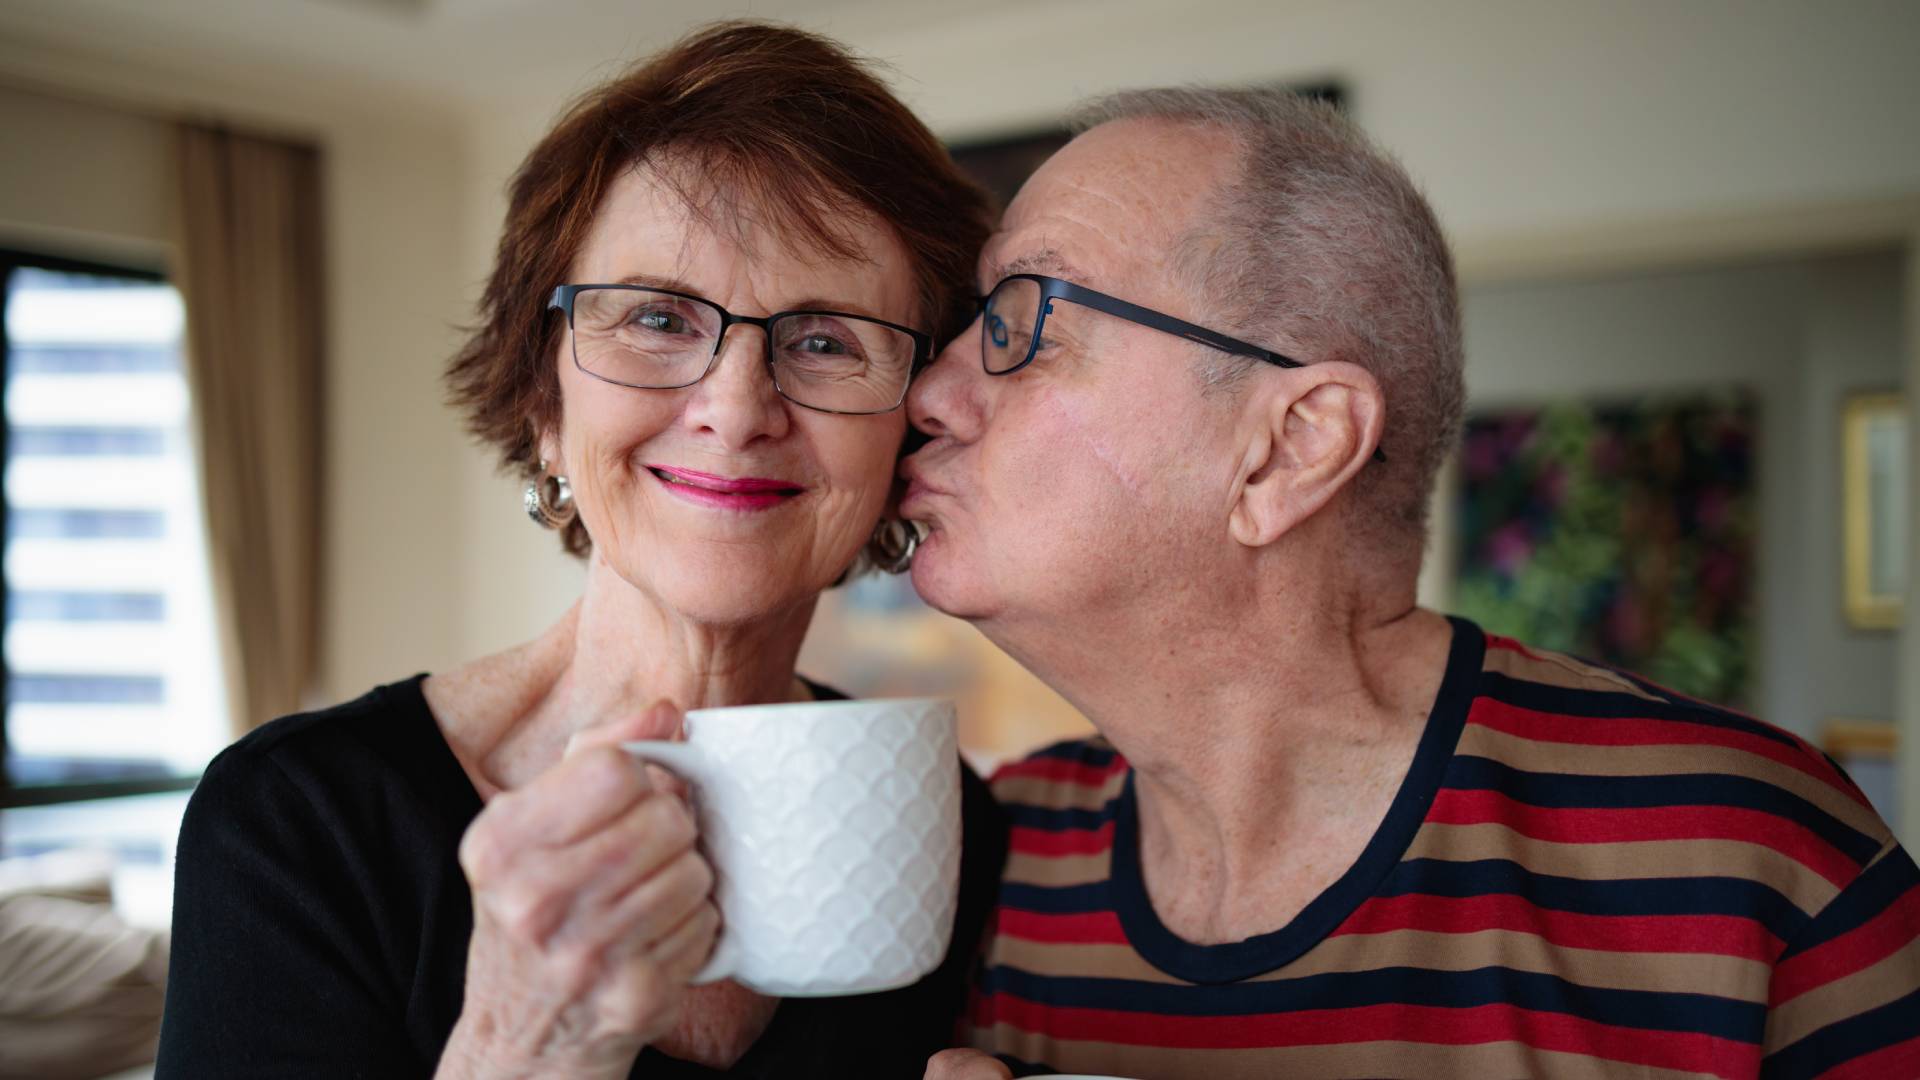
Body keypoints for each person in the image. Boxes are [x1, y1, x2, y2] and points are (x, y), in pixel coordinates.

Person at [909, 87, 1920, 1078]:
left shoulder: (1753, 860)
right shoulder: (993, 851)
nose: (930, 391)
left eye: (1017, 320)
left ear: (1289, 451)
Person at [156, 22, 1006, 1079]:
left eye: (826, 339)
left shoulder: (941, 818)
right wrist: (527, 1042)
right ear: (543, 401)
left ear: (908, 433)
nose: (737, 409)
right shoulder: (299, 823)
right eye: (655, 319)